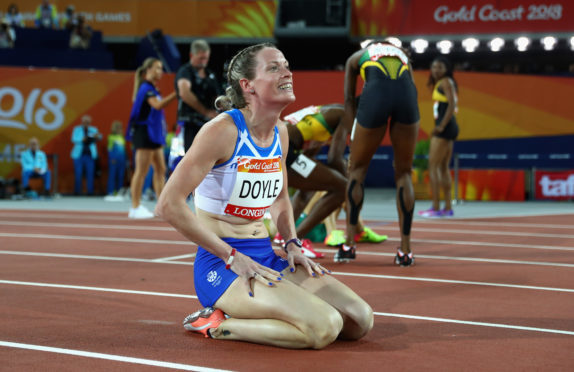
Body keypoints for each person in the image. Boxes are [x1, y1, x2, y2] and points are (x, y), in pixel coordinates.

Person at [155, 43, 373, 348]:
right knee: (325, 326)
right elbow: (167, 205)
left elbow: (281, 197)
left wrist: (293, 244)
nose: (287, 72)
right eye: (274, 68)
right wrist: (231, 256)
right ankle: (219, 323)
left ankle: (268, 310)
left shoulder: (281, 133)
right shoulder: (222, 132)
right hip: (224, 265)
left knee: (359, 320)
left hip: (267, 256)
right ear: (248, 86)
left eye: (286, 65)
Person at [338, 40, 420, 267]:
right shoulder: (403, 56)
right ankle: (405, 250)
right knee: (404, 172)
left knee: (357, 170)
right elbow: (412, 88)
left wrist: (351, 130)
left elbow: (348, 100)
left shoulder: (357, 56)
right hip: (407, 99)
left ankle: (349, 245)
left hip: (375, 96)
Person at [273, 104, 387, 258]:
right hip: (284, 148)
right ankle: (295, 241)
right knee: (343, 188)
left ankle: (284, 235)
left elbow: (310, 154)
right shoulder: (346, 115)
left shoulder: (328, 114)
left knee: (309, 187)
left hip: (278, 145)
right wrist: (349, 182)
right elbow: (334, 157)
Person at [126, 57, 176, 218]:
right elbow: (157, 105)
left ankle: (161, 206)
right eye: (157, 68)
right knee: (141, 171)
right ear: (148, 70)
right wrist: (177, 93)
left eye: (161, 68)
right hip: (144, 133)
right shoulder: (145, 88)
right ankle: (135, 207)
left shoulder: (154, 89)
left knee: (161, 169)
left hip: (154, 134)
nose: (160, 71)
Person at [418, 56, 459, 218]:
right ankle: (447, 207)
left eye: (440, 67)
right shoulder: (444, 82)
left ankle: (435, 207)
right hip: (450, 127)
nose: (436, 70)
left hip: (445, 127)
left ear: (447, 69)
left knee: (433, 166)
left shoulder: (446, 82)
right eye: (433, 67)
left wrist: (441, 126)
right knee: (442, 168)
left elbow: (452, 104)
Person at [175, 39, 223, 152]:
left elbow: (218, 97)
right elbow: (184, 93)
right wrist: (205, 112)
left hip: (208, 125)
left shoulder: (210, 74)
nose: (204, 61)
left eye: (206, 58)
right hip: (190, 124)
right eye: (201, 58)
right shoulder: (185, 72)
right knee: (190, 157)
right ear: (192, 55)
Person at [71, 115, 101, 195]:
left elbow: (100, 137)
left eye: (88, 122)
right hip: (79, 155)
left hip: (90, 156)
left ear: (90, 122)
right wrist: (82, 139)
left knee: (90, 174)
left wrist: (97, 136)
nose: (86, 123)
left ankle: (90, 192)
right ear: (82, 122)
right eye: (84, 122)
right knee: (78, 174)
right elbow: (73, 139)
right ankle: (77, 191)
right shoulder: (77, 129)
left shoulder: (93, 129)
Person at [105, 120, 127, 201]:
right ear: (114, 129)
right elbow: (110, 149)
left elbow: (123, 150)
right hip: (114, 160)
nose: (119, 129)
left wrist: (125, 160)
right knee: (112, 176)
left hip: (122, 159)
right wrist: (112, 158)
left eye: (120, 128)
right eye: (117, 128)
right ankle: (110, 191)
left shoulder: (122, 137)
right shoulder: (111, 137)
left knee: (120, 176)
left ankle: (119, 192)